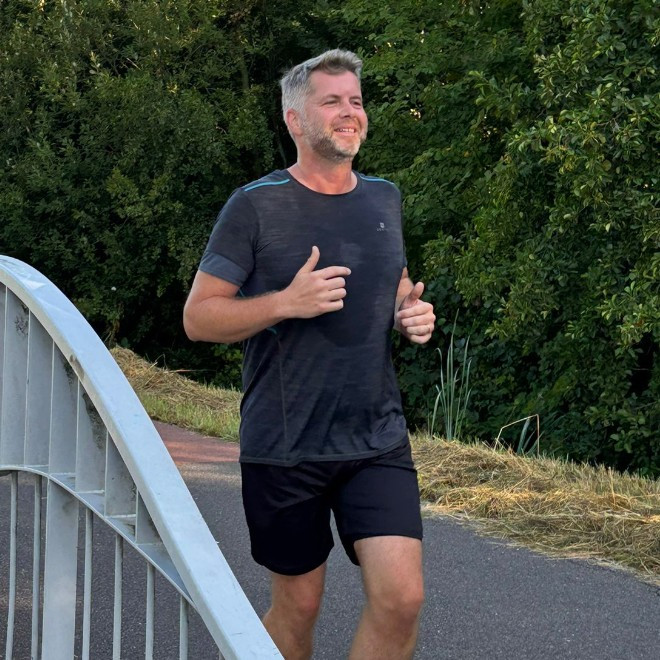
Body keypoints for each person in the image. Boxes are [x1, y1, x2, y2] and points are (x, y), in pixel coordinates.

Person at [183, 49, 435, 660]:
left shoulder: (384, 197)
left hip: (376, 437)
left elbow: (394, 281)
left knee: (402, 598)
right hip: (286, 443)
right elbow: (198, 317)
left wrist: (408, 311)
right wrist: (284, 303)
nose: (350, 112)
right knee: (298, 606)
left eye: (356, 100)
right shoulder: (255, 204)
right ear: (295, 119)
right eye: (332, 101)